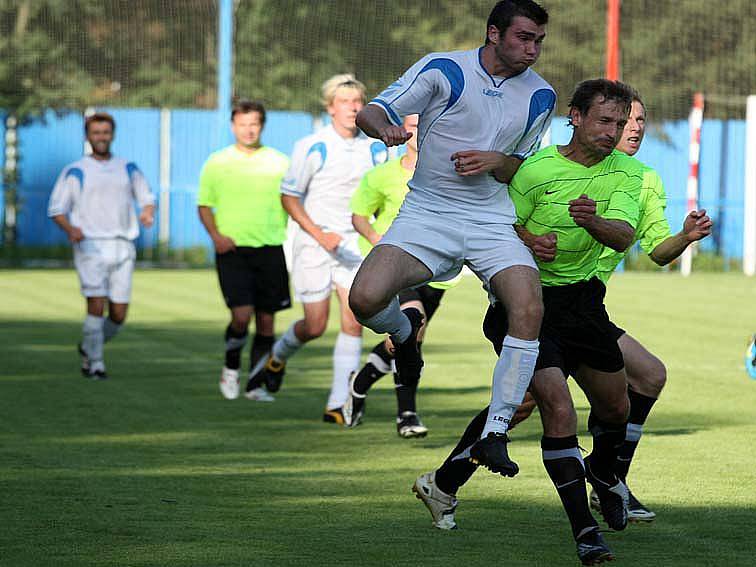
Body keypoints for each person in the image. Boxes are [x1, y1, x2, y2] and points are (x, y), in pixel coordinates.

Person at [413, 79, 644, 565]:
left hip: (585, 306)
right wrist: (527, 241)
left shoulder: (628, 173)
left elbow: (623, 237)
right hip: (527, 307)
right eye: (605, 120)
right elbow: (497, 222)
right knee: (555, 407)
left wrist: (592, 223)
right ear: (575, 117)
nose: (613, 131)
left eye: (619, 123)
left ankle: (447, 481)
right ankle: (585, 532)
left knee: (615, 408)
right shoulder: (535, 169)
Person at [349, 0, 555, 473]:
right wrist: (386, 130)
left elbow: (522, 166)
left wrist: (495, 161)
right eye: (524, 37)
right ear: (494, 33)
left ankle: (496, 431)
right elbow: (374, 111)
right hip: (428, 213)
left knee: (528, 306)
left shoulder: (542, 95)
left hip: (491, 221)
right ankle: (405, 338)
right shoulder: (444, 69)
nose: (532, 49)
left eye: (539, 41)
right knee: (364, 298)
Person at [511, 95, 713, 522]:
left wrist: (686, 236)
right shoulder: (560, 168)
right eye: (625, 120)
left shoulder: (643, 180)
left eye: (640, 119)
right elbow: (508, 220)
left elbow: (657, 252)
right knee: (527, 405)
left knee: (648, 376)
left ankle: (610, 482)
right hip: (548, 302)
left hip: (586, 308)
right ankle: (447, 477)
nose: (634, 128)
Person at [249, 74, 389, 423]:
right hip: (313, 244)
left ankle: (338, 404)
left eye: (357, 101)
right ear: (330, 108)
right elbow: (289, 197)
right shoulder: (313, 145)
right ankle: (276, 357)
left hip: (353, 246)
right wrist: (318, 233)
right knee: (314, 325)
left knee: (354, 322)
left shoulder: (376, 146)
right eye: (344, 102)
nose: (352, 108)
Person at [346, 114, 459, 437]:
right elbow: (359, 216)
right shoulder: (381, 175)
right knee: (413, 325)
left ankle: (360, 381)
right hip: (395, 269)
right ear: (402, 130)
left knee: (403, 340)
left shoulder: (449, 174)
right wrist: (379, 242)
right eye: (413, 124)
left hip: (435, 271)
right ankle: (406, 415)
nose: (419, 130)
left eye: (427, 123)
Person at [48, 112, 155, 380]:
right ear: (88, 136)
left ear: (113, 134)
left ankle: (87, 346)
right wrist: (71, 229)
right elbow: (57, 209)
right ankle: (95, 364)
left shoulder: (128, 166)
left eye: (105, 132)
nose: (101, 137)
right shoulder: (76, 170)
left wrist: (147, 213)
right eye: (96, 133)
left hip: (123, 245)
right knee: (96, 304)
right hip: (91, 246)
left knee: (118, 314)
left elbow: (146, 197)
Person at [198, 99, 291, 402]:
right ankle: (231, 366)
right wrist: (215, 236)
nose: (248, 130)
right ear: (233, 126)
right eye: (242, 124)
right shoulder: (217, 162)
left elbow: (292, 200)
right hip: (232, 250)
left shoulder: (279, 162)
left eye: (254, 124)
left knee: (266, 321)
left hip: (270, 247)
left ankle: (255, 385)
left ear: (261, 126)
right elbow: (204, 205)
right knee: (241, 317)